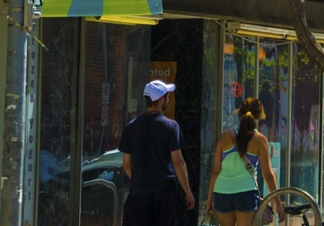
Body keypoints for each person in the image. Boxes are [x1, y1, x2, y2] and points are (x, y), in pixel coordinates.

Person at [120, 80, 197, 226]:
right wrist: (187, 191)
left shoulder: (130, 127)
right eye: (167, 96)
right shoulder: (171, 126)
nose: (168, 98)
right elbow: (178, 162)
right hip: (164, 195)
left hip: (138, 196)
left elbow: (126, 165)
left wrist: (140, 181)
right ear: (161, 99)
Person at [206, 98, 280, 226]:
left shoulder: (224, 137)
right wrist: (278, 204)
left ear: (240, 113)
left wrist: (208, 202)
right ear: (259, 116)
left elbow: (215, 172)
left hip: (222, 192)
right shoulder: (260, 140)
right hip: (246, 193)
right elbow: (268, 175)